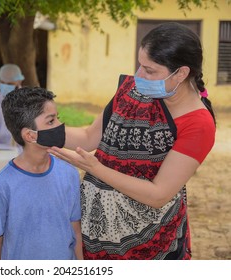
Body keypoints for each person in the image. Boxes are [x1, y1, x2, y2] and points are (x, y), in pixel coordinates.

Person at [48, 22, 216, 260]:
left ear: (181, 73)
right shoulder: (132, 92)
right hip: (95, 235)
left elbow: (158, 195)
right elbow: (87, 138)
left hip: (151, 245)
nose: (139, 75)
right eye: (140, 65)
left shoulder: (198, 124)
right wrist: (41, 132)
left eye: (150, 70)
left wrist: (95, 168)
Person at [0, 87, 83, 260]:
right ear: (30, 135)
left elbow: (75, 228)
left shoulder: (69, 174)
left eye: (58, 118)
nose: (60, 126)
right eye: (51, 121)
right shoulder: (2, 185)